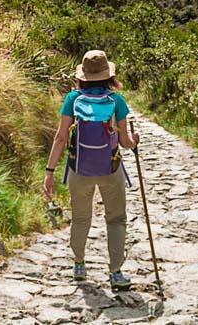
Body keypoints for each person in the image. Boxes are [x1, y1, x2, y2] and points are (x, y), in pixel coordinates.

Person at [43, 50, 138, 289]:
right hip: (110, 169)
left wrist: (49, 171)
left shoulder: (73, 99)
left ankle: (79, 265)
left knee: (81, 218)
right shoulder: (117, 101)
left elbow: (60, 137)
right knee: (115, 219)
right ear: (108, 75)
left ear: (83, 75)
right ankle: (115, 272)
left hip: (79, 169)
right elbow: (125, 143)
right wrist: (135, 140)